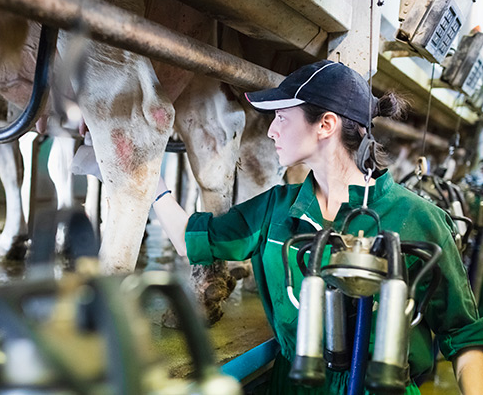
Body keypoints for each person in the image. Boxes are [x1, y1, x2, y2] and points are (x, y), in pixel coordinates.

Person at [150, 60, 483, 394]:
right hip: (295, 385)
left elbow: (464, 336)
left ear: (326, 124)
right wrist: (148, 175)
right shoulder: (277, 208)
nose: (271, 130)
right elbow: (190, 238)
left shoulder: (418, 220)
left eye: (282, 117)